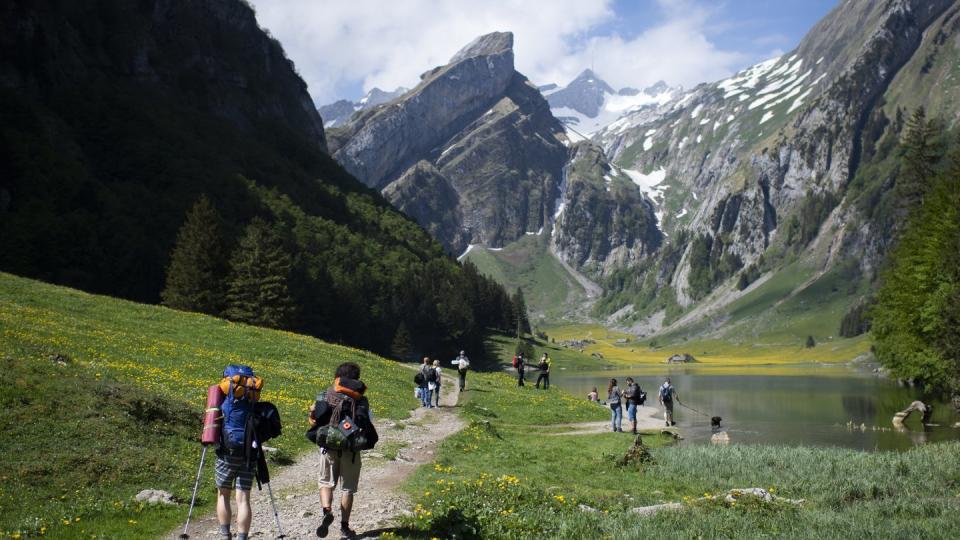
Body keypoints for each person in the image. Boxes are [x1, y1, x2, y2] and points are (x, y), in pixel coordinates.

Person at [309, 362, 379, 539]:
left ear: (337, 376)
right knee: (347, 489)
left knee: (325, 483)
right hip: (351, 450)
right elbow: (367, 421)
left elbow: (314, 419)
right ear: (356, 379)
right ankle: (344, 527)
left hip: (328, 446)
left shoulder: (325, 394)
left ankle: (326, 511)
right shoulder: (361, 399)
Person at [215, 366, 262, 540]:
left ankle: (225, 534)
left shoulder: (225, 398)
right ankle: (242, 537)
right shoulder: (252, 398)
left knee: (223, 493)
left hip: (227, 450)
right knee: (243, 499)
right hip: (249, 451)